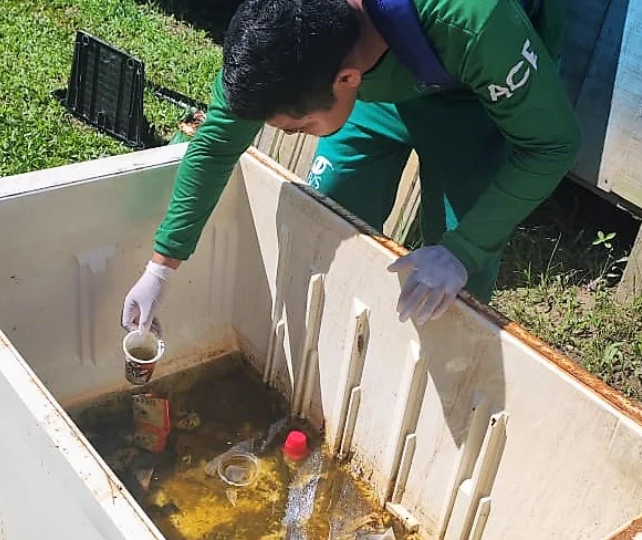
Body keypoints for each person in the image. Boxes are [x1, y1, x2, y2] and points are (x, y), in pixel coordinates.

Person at [122, 0, 580, 335]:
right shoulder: (286, 29)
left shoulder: (474, 22)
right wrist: (163, 265)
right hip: (376, 76)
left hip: (471, 88)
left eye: (298, 127)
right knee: (329, 208)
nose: (289, 135)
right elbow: (216, 144)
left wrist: (463, 249)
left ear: (346, 79)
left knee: (458, 285)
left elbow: (552, 145)